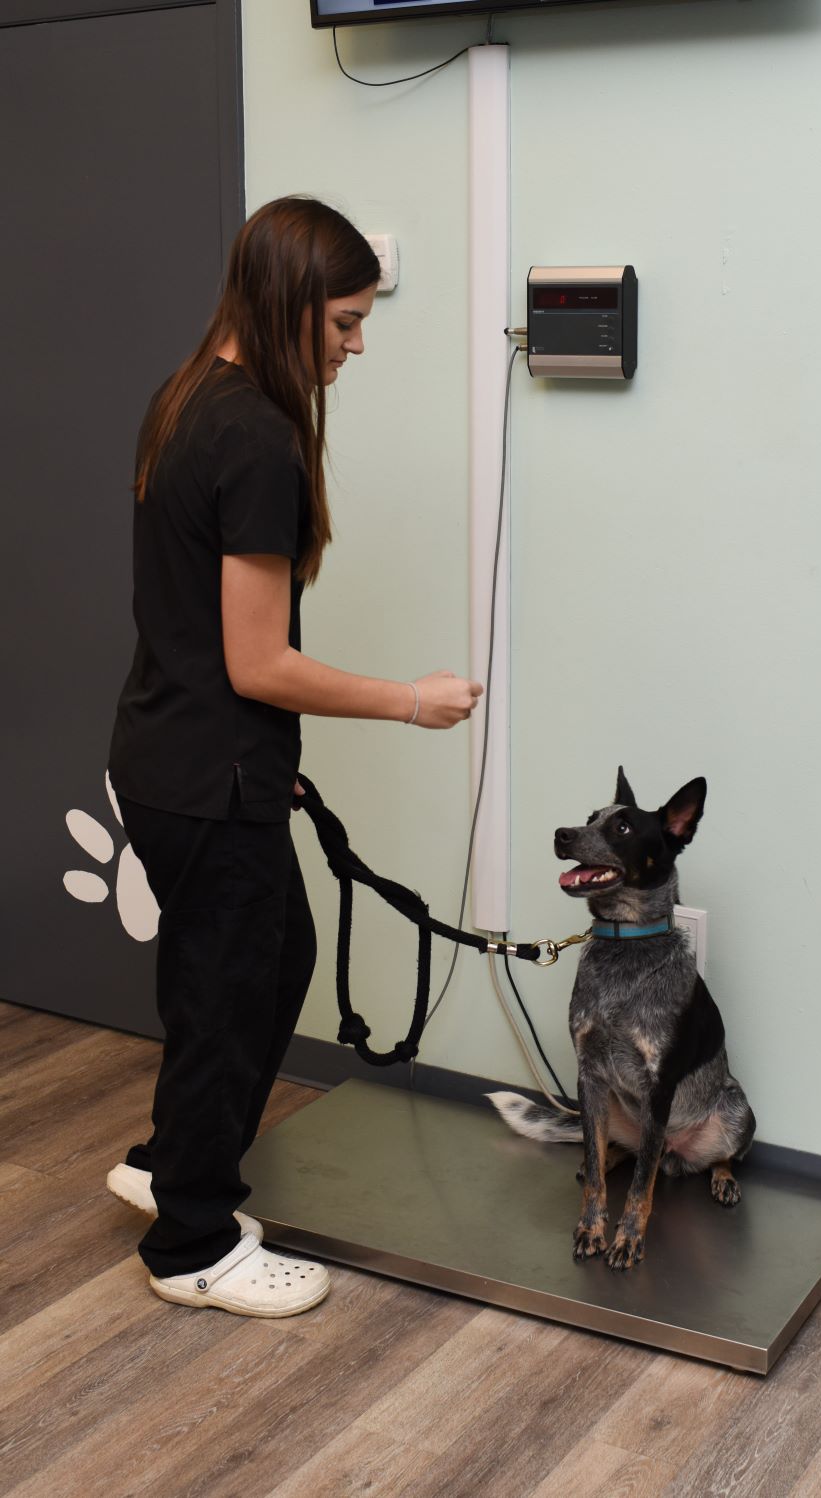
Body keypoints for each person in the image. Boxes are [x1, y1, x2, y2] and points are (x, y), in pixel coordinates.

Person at [105, 196, 482, 1318]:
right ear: (288, 307)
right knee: (234, 990)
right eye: (347, 324)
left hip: (172, 753)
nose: (356, 347)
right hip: (207, 772)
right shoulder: (257, 437)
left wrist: (278, 761)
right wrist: (409, 701)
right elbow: (260, 661)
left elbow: (203, 637)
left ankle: (167, 1159)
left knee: (259, 964)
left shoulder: (187, 398)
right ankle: (192, 1243)